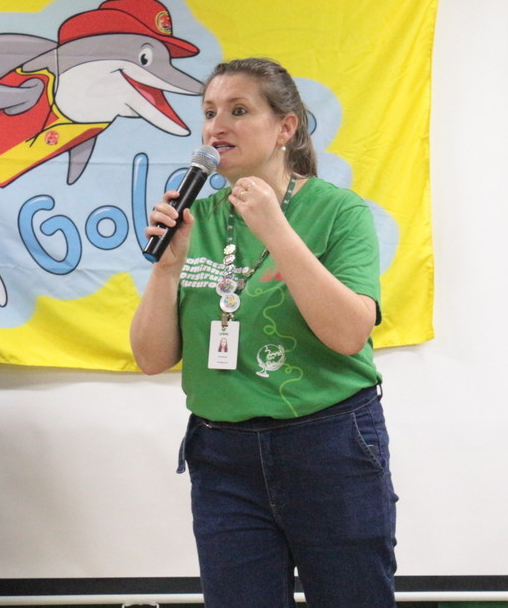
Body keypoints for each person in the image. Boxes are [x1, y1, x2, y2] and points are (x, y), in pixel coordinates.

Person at [130, 58, 397, 606]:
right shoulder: (197, 217)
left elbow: (349, 334)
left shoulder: (339, 212)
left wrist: (275, 227)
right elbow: (151, 358)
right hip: (223, 456)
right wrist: (167, 269)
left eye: (238, 111)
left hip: (328, 447)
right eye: (209, 113)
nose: (217, 126)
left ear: (285, 127)